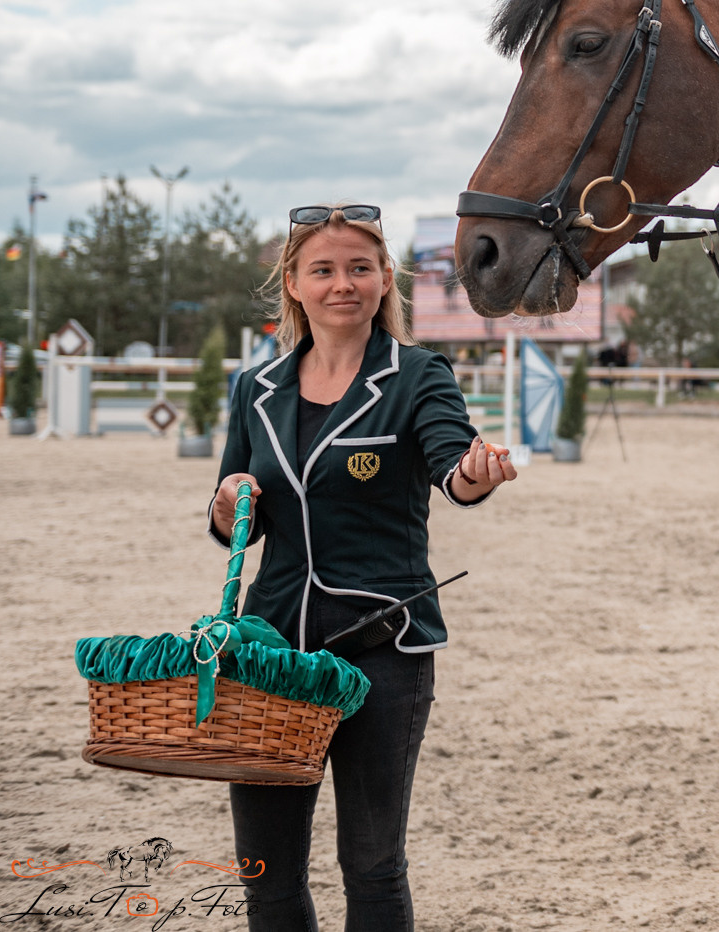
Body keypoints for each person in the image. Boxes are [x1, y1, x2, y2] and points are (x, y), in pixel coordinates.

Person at [210, 203, 516, 932]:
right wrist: (228, 504)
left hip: (385, 648)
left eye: (359, 268)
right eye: (323, 269)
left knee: (373, 867)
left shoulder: (419, 375)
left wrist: (478, 472)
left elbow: (454, 469)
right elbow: (231, 527)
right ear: (294, 283)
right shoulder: (254, 389)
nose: (341, 283)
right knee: (266, 871)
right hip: (272, 655)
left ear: (384, 280)